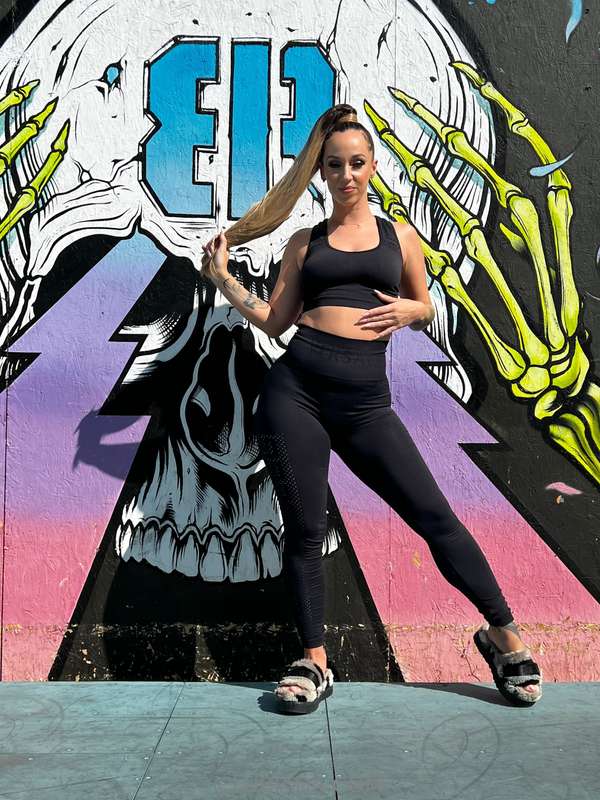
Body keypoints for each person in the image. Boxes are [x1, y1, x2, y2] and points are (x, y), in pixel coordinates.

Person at [200, 103, 542, 713]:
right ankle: (314, 660)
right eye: (334, 165)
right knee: (306, 532)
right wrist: (223, 279)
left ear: (373, 166)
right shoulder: (304, 243)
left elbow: (423, 303)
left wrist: (415, 309)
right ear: (321, 173)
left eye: (357, 163)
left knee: (435, 518)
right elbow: (275, 322)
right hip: (294, 394)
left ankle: (503, 634)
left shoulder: (399, 236)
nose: (347, 175)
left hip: (365, 405)